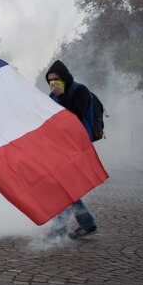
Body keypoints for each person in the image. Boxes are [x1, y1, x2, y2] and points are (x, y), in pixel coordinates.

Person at [46, 59, 99, 239]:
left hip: (77, 145)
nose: (53, 82)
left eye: (56, 78)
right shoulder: (53, 95)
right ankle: (87, 223)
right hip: (60, 147)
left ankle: (58, 230)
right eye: (50, 79)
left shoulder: (79, 90)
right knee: (65, 187)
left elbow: (76, 115)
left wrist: (63, 96)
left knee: (64, 186)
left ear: (65, 77)